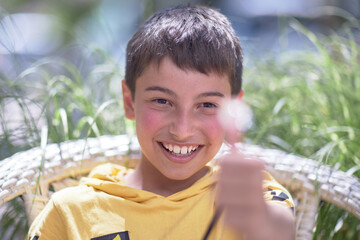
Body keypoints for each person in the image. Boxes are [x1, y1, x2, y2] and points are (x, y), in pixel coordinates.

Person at [27, 4, 295, 240]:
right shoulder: (72, 211)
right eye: (162, 101)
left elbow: (277, 227)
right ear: (129, 101)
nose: (182, 129)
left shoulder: (254, 197)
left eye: (207, 105)